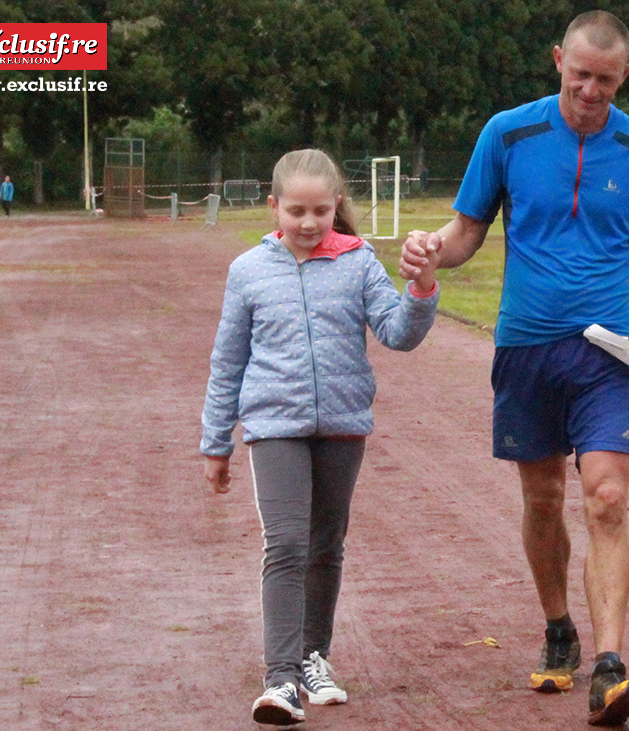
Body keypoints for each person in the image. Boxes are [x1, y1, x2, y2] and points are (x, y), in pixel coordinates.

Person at [399, 10, 629, 726]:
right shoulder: (507, 133)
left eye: (606, 80)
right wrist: (432, 247)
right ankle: (559, 626)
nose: (590, 90)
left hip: (608, 351)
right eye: (580, 74)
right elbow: (466, 232)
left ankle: (611, 667)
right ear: (559, 60)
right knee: (545, 499)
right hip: (526, 345)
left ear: (626, 77)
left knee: (607, 497)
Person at [201, 149, 441, 726]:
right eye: (296, 211)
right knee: (286, 545)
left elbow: (397, 333)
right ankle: (280, 679)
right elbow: (227, 361)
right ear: (274, 207)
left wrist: (422, 287)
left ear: (337, 207)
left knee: (326, 545)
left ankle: (314, 656)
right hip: (274, 428)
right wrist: (216, 442)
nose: (308, 223)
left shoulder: (359, 262)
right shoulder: (248, 271)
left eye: (321, 211)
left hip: (341, 427)